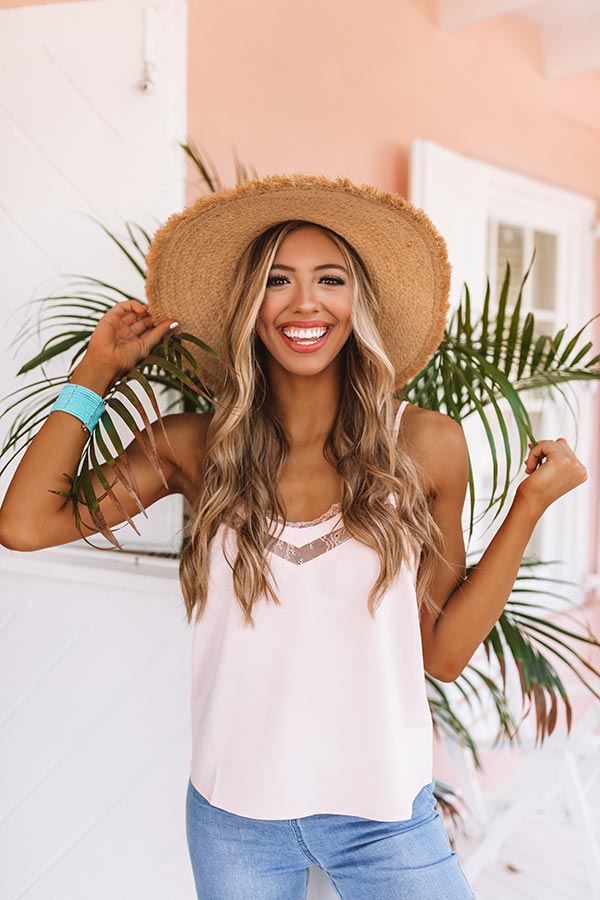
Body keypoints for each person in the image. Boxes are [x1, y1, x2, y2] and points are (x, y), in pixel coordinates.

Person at [0, 175, 587, 899]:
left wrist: (527, 508)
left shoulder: (428, 444)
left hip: (384, 817)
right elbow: (24, 524)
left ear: (358, 304)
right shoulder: (193, 446)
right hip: (234, 817)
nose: (305, 302)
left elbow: (445, 652)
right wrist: (95, 372)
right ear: (252, 307)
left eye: (329, 280)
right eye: (278, 280)